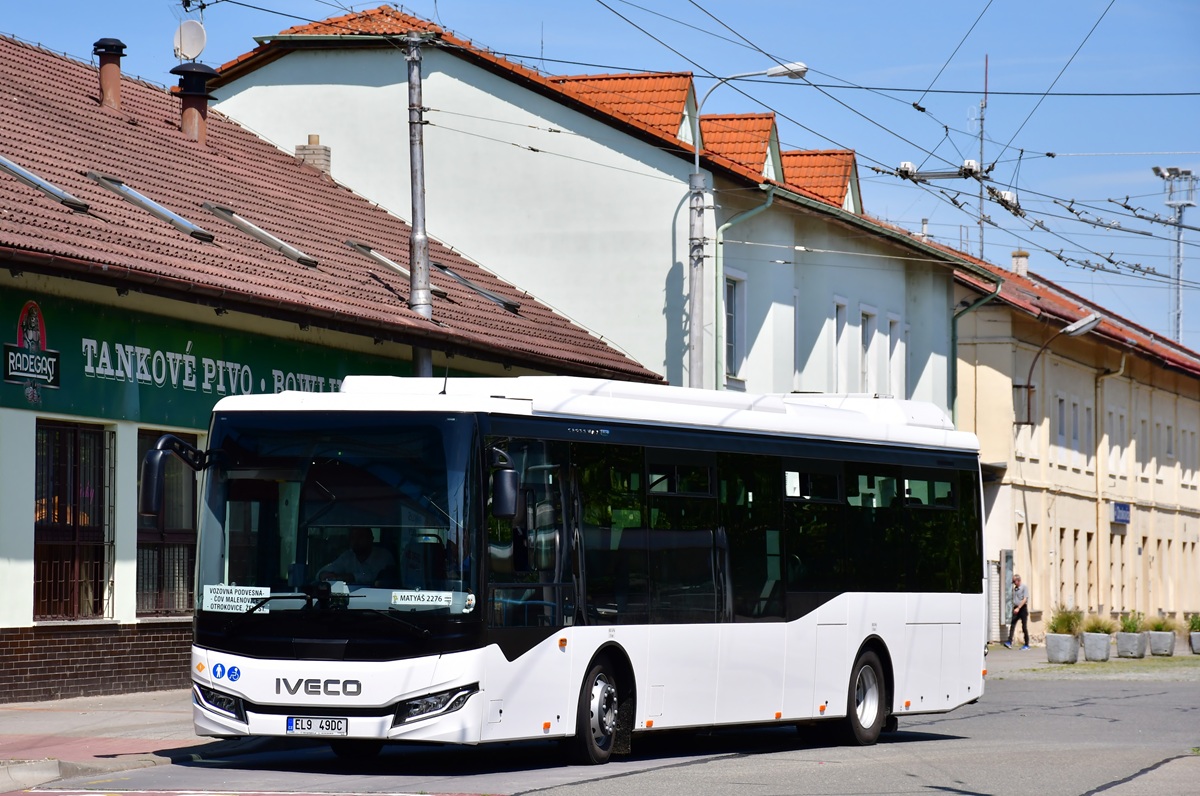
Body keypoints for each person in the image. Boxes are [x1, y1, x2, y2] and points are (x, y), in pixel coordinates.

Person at [318, 527, 395, 585]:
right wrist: (324, 575)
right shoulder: (348, 556)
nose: (356, 541)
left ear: (371, 539)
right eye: (353, 537)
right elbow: (326, 571)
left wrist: (348, 577)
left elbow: (371, 577)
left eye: (360, 537)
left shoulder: (384, 555)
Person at [1004, 573, 1030, 649]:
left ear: (1018, 580)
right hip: (1016, 608)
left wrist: (1019, 608)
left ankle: (1027, 644)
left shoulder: (1024, 587)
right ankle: (1009, 642)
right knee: (1012, 624)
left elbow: (1025, 599)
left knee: (1024, 626)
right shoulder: (1015, 589)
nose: (1014, 583)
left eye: (1014, 581)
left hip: (1022, 609)